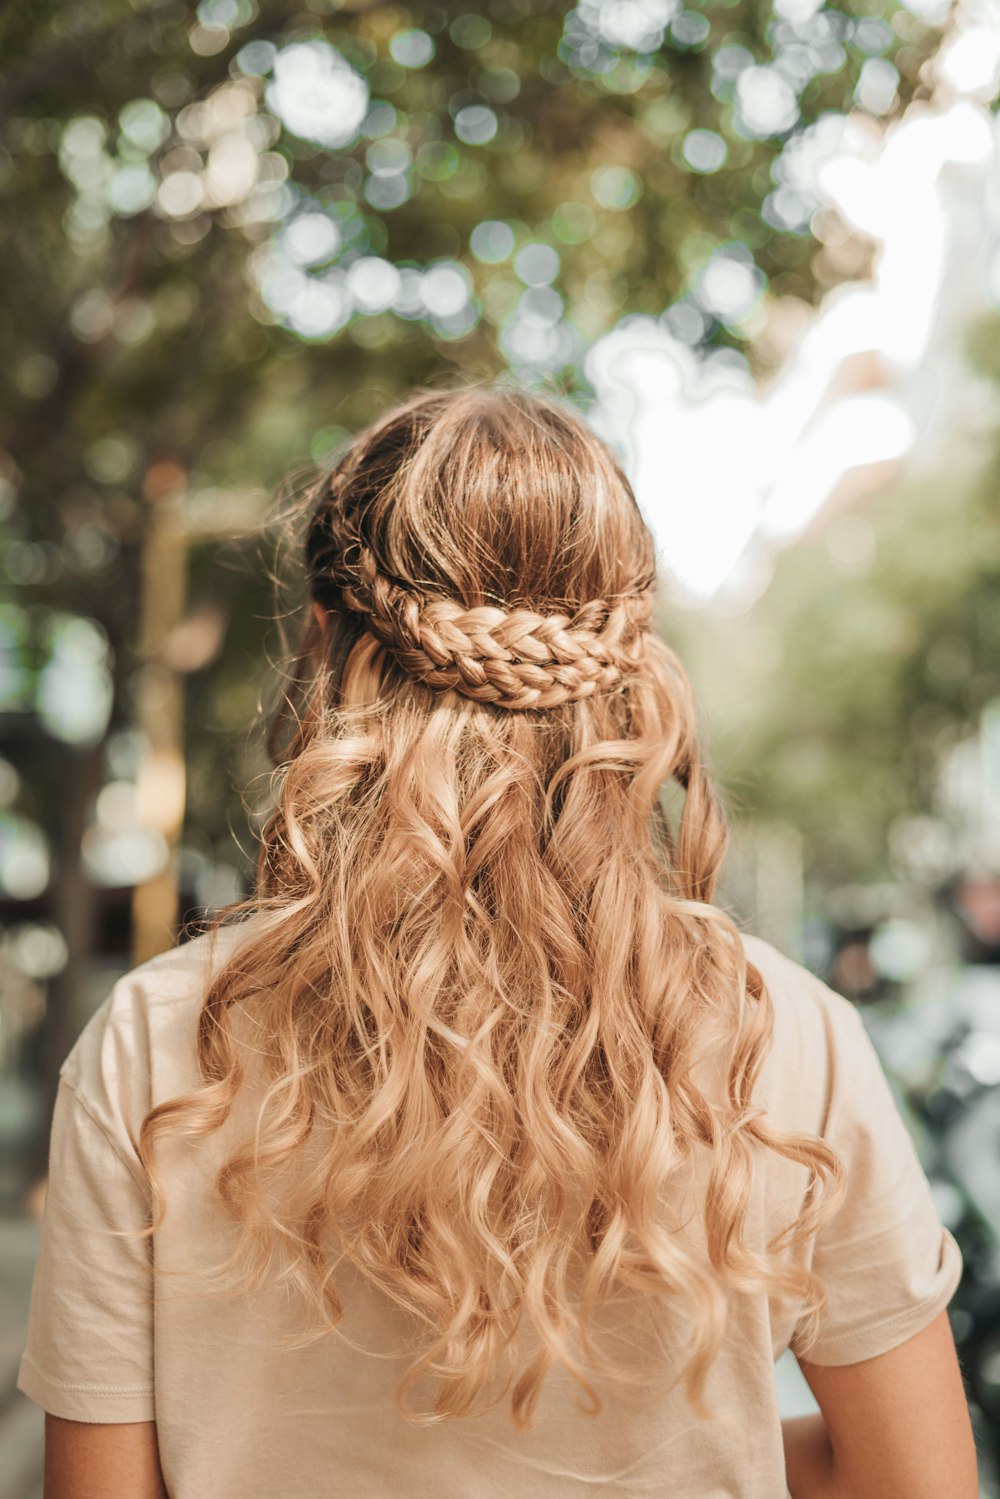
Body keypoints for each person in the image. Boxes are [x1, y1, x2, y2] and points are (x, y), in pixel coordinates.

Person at [18, 385, 977, 1498]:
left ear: (325, 646)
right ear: (628, 665)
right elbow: (916, 1481)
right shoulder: (787, 1035)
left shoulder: (156, 1042)